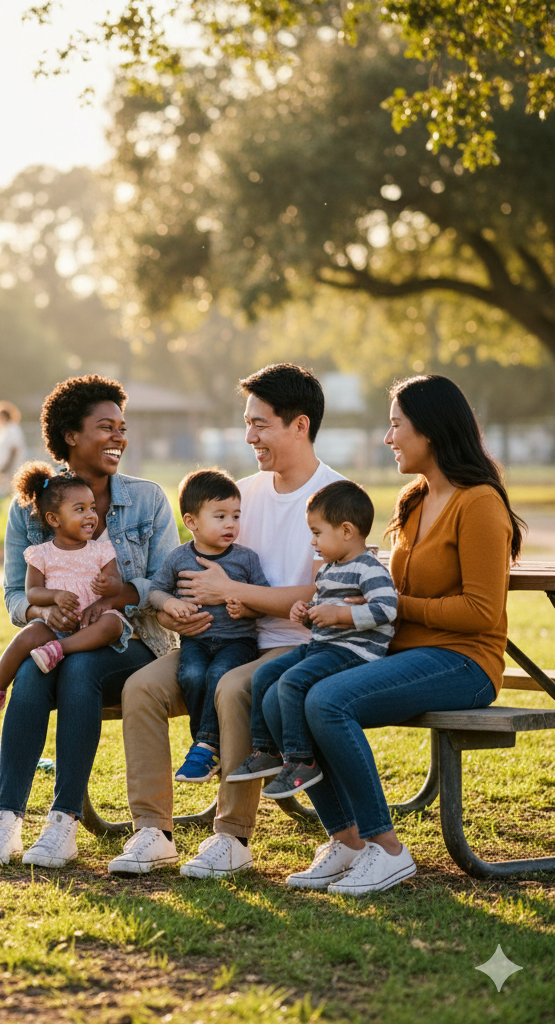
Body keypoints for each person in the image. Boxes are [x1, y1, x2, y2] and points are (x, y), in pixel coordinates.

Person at [263, 374, 523, 895]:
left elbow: (480, 611)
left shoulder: (479, 505)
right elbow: (378, 581)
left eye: (396, 425)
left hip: (463, 662)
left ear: (429, 430)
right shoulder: (413, 500)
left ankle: (388, 851)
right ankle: (348, 841)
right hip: (396, 653)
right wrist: (328, 607)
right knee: (276, 698)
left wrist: (389, 606)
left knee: (328, 702)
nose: (388, 438)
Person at [110, 363, 344, 877]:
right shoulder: (234, 497)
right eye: (247, 422)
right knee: (142, 688)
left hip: (295, 646)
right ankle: (153, 830)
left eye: (260, 423)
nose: (249, 435)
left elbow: (328, 591)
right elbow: (190, 576)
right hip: (219, 640)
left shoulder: (337, 497)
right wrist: (185, 614)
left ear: (299, 426)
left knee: (235, 688)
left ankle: (232, 837)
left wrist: (236, 592)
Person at [0, 374, 179, 870]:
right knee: (30, 670)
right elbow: (15, 594)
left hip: (135, 640)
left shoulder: (146, 499)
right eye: (105, 427)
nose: (118, 438)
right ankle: (7, 821)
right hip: (59, 639)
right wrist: (46, 609)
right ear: (71, 435)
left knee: (82, 669)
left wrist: (118, 597)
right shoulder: (31, 508)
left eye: (122, 428)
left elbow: (169, 583)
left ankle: (62, 824)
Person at [227, 480, 397, 798]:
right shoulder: (328, 570)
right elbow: (324, 608)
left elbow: (387, 608)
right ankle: (267, 750)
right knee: (264, 674)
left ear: (346, 531)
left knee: (292, 681)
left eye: (317, 533)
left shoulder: (369, 568)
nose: (312, 542)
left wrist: (339, 616)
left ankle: (302, 760)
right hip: (322, 645)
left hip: (353, 651)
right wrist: (305, 612)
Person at [0, 462, 131, 728]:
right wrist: (54, 597)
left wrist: (107, 587)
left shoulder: (102, 550)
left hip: (91, 623)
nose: (91, 515)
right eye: (79, 509)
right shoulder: (41, 554)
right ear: (54, 519)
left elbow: (116, 584)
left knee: (113, 624)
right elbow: (32, 592)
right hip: (57, 624)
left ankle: (59, 649)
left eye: (92, 507)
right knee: (27, 636)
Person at [145, 468, 268, 783]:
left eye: (236, 516)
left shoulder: (246, 559)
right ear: (191, 522)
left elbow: (262, 600)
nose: (231, 524)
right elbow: (154, 591)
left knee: (217, 674)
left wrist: (247, 606)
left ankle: (204, 749)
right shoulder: (177, 558)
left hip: (237, 642)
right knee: (193, 674)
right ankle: (206, 743)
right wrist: (170, 604)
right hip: (196, 642)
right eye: (220, 516)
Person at [0, 400, 27, 501]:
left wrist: (4, 469)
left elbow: (14, 450)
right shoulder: (1, 431)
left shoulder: (13, 429)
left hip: (10, 472)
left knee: (9, 498)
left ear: (3, 417)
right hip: (2, 471)